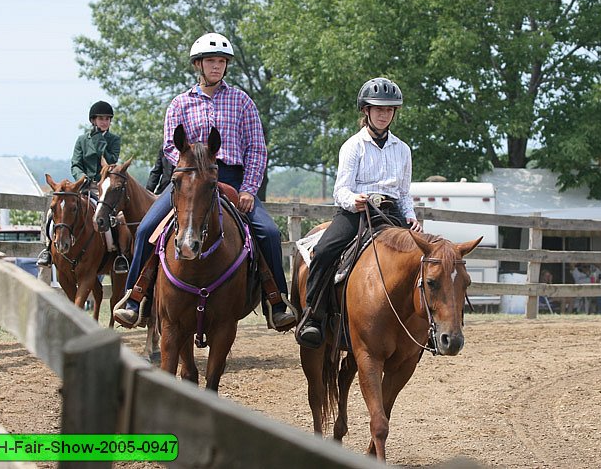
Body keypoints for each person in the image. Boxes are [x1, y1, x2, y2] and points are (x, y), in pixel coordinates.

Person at [113, 32, 295, 330]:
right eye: (211, 61)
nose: (216, 67)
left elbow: (256, 148)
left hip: (233, 180)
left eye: (221, 62)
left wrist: (249, 189)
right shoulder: (179, 104)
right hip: (189, 182)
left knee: (270, 233)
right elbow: (171, 147)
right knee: (147, 227)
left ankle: (277, 301)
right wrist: (192, 173)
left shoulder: (242, 102)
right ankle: (135, 299)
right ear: (198, 65)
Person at [296, 77, 423, 348]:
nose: (383, 114)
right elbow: (340, 190)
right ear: (365, 111)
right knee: (325, 251)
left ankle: (424, 325)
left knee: (425, 259)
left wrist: (410, 216)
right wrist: (355, 200)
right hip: (355, 212)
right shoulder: (353, 146)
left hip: (390, 214)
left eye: (388, 110)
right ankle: (313, 318)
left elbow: (403, 192)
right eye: (377, 108)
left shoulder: (403, 150)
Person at [37, 101, 130, 273]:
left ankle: (119, 255)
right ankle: (48, 248)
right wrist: (81, 178)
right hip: (82, 186)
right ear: (93, 120)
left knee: (115, 218)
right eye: (101, 119)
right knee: (54, 212)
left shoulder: (114, 140)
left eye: (107, 119)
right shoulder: (82, 140)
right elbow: (75, 164)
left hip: (103, 186)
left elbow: (111, 161)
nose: (105, 122)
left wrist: (101, 142)